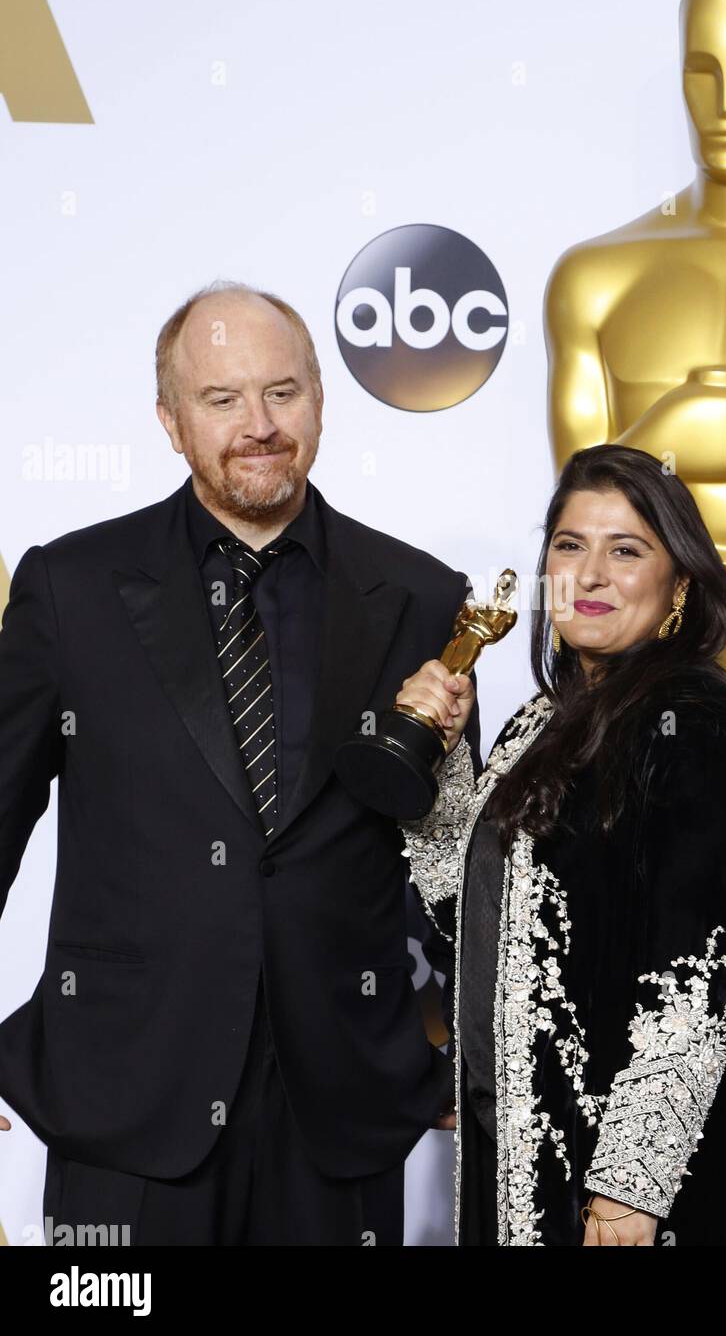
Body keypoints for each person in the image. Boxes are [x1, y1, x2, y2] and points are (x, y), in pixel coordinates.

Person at [0, 280, 476, 1245]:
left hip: (339, 1105)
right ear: (171, 424)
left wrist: (469, 1056)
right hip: (126, 1095)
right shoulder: (70, 588)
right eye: (222, 400)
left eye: (282, 392)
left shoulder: (424, 597)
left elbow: (458, 861)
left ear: (321, 402)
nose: (259, 425)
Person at [398, 443, 726, 1246]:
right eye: (570, 545)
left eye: (627, 550)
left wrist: (628, 1197)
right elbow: (464, 922)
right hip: (516, 1162)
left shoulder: (696, 726)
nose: (592, 573)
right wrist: (434, 759)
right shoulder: (543, 722)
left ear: (680, 584)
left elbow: (696, 982)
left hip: (613, 1197)